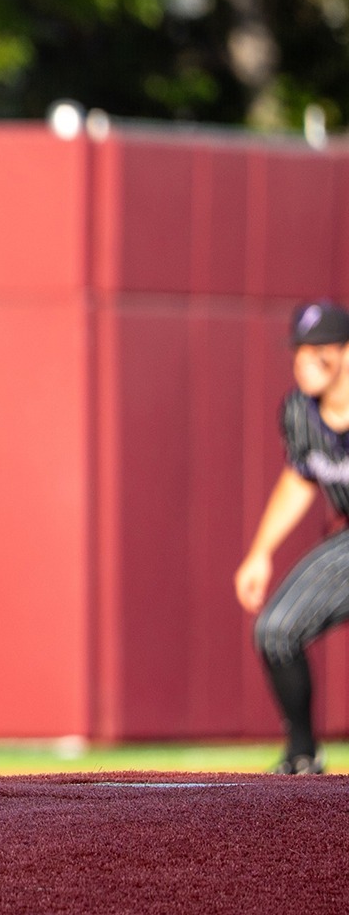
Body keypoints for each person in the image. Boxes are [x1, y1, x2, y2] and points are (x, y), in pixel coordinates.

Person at [235, 300, 349, 774]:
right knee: (276, 629)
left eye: (318, 350)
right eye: (299, 350)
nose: (304, 361)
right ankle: (303, 758)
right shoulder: (301, 412)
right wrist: (260, 553)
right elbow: (299, 478)